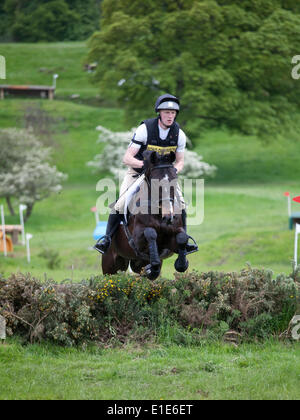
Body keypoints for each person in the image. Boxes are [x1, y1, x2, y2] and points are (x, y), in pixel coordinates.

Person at [94, 93, 198, 254]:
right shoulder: (145, 129)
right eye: (166, 113)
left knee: (182, 204)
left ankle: (185, 241)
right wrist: (147, 166)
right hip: (138, 173)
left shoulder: (179, 134)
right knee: (120, 204)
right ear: (159, 113)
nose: (170, 116)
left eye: (173, 113)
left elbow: (180, 161)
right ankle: (106, 239)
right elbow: (127, 158)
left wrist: (171, 172)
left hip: (164, 177)